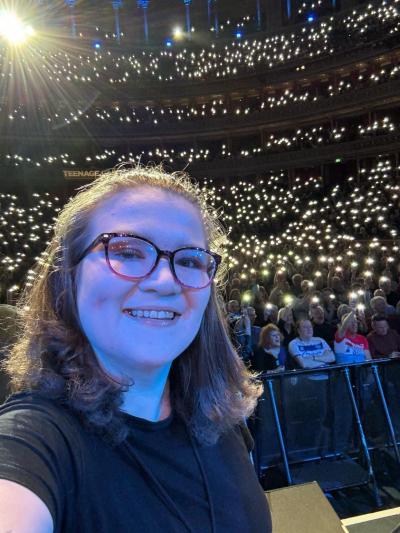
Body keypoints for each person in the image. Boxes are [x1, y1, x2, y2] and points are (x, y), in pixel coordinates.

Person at [0, 166, 271, 532]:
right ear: (68, 274)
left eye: (190, 260)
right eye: (127, 251)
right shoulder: (36, 439)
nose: (165, 281)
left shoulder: (222, 423)